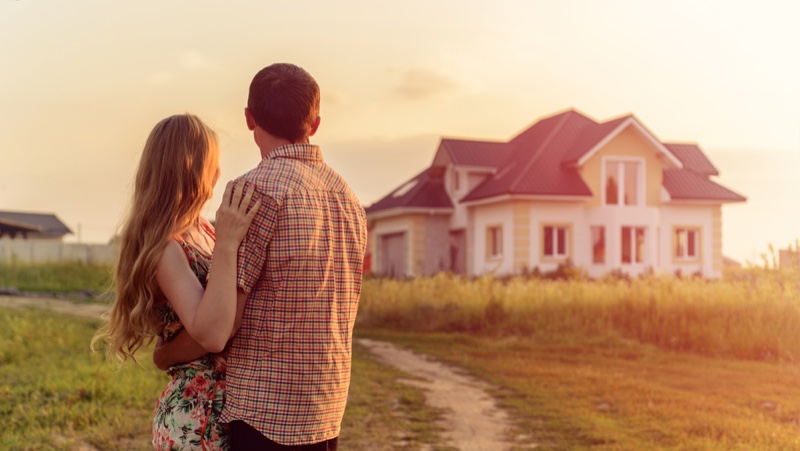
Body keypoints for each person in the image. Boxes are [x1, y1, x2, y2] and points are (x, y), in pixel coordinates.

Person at [154, 63, 368, 450]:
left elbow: (220, 327)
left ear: (249, 118)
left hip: (266, 411)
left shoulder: (253, 192)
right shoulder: (348, 198)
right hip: (326, 407)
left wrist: (165, 354)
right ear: (315, 124)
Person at [92, 113, 260, 450]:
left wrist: (166, 353)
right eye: (214, 161)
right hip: (196, 417)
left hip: (222, 408)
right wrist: (228, 246)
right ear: (193, 166)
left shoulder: (205, 229)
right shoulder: (167, 248)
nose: (219, 171)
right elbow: (212, 332)